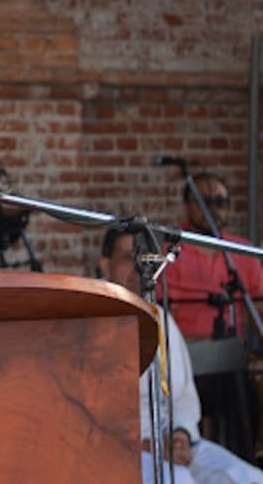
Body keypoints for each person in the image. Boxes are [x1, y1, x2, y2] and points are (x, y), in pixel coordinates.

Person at [100, 227, 263, 484]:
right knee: (180, 480)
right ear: (105, 264)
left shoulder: (161, 319)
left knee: (250, 479)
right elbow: (92, 411)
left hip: (175, 443)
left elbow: (185, 396)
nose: (137, 268)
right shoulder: (90, 322)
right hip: (123, 449)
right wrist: (148, 444)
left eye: (144, 259)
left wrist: (181, 435)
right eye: (128, 258)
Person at [163, 173, 263, 340]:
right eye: (204, 202)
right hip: (185, 351)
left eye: (220, 202)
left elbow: (259, 308)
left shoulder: (242, 251)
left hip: (232, 352)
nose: (213, 210)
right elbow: (164, 315)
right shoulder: (169, 251)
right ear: (187, 205)